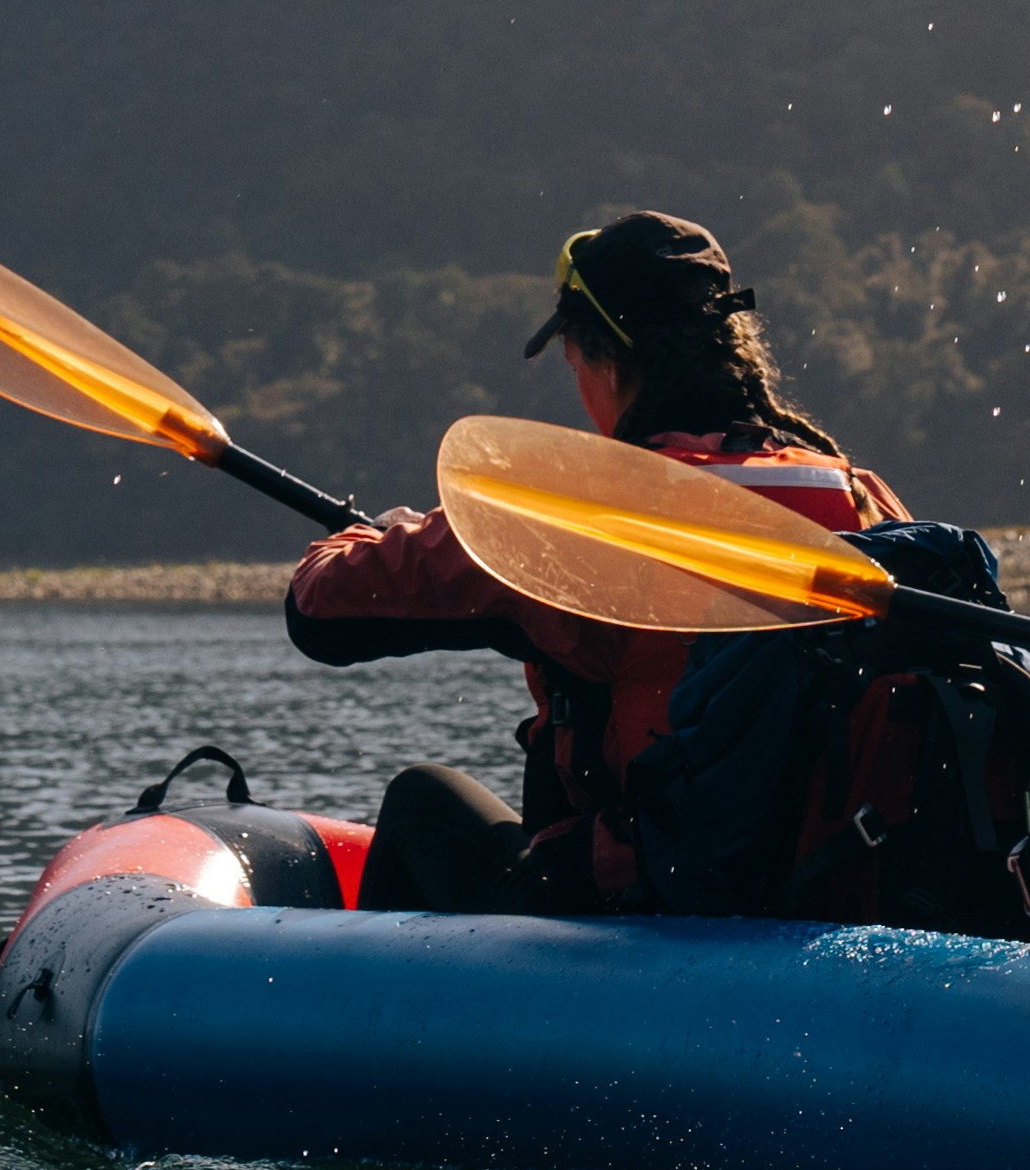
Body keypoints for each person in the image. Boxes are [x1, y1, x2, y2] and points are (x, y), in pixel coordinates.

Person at [284, 210, 903, 914]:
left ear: (604, 358)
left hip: (645, 912)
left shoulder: (584, 512)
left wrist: (367, 537)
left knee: (421, 799)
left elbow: (318, 611)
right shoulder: (856, 494)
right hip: (828, 888)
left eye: (575, 361)